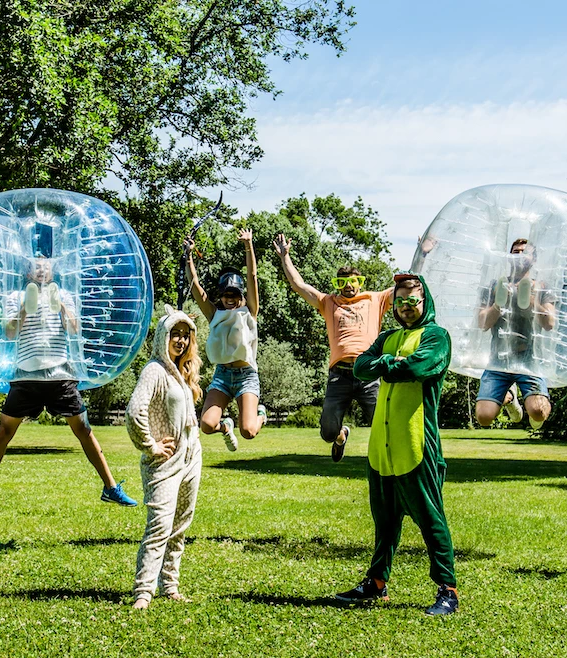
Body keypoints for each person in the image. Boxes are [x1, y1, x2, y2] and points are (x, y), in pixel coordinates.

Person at [0, 257, 136, 513]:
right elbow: (9, 333)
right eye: (36, 265)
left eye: (46, 265)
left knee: (83, 430)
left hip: (60, 374)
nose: (41, 269)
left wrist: (60, 304)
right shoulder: (15, 296)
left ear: (52, 271)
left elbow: (74, 330)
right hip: (26, 376)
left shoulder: (64, 295)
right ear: (28, 271)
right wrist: (26, 308)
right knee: (3, 433)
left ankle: (111, 487)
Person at [334, 273, 460, 617]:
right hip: (381, 449)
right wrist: (392, 363)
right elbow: (360, 366)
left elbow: (420, 366)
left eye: (412, 302)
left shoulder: (436, 336)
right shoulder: (388, 336)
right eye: (400, 302)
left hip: (416, 445)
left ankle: (447, 590)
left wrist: (387, 365)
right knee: (384, 523)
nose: (405, 308)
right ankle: (376, 583)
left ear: (424, 302)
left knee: (431, 519)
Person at [272, 233, 393, 461]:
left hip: (369, 373)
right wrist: (285, 257)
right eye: (342, 282)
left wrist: (424, 254)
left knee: (383, 423)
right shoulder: (328, 302)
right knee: (328, 432)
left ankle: (385, 463)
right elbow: (298, 285)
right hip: (340, 376)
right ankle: (340, 436)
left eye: (353, 282)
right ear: (337, 285)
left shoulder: (375, 299)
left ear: (360, 282)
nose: (348, 287)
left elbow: (406, 287)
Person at [127, 306, 203, 609]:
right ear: (163, 337)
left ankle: (170, 585)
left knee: (181, 526)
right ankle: (143, 592)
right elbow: (135, 412)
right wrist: (150, 445)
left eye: (186, 336)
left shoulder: (182, 373)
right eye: (176, 334)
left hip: (190, 459)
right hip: (164, 464)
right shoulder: (154, 371)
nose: (181, 341)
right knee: (159, 527)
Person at [185, 228, 264, 451]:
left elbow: (252, 278)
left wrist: (248, 245)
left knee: (248, 431)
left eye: (235, 295)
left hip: (246, 375)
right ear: (220, 296)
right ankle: (225, 427)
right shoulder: (214, 315)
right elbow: (195, 288)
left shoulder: (250, 311)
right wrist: (189, 256)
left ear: (241, 296)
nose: (230, 299)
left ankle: (261, 415)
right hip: (222, 374)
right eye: (226, 295)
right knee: (207, 425)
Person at [475, 239, 557, 430]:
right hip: (499, 359)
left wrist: (530, 300)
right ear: (508, 257)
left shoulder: (543, 286)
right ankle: (510, 399)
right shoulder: (495, 286)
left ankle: (534, 416)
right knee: (484, 417)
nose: (519, 255)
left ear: (533, 259)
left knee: (538, 411)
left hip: (530, 361)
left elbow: (550, 324)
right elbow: (482, 323)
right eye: (515, 252)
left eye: (524, 252)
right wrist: (498, 304)